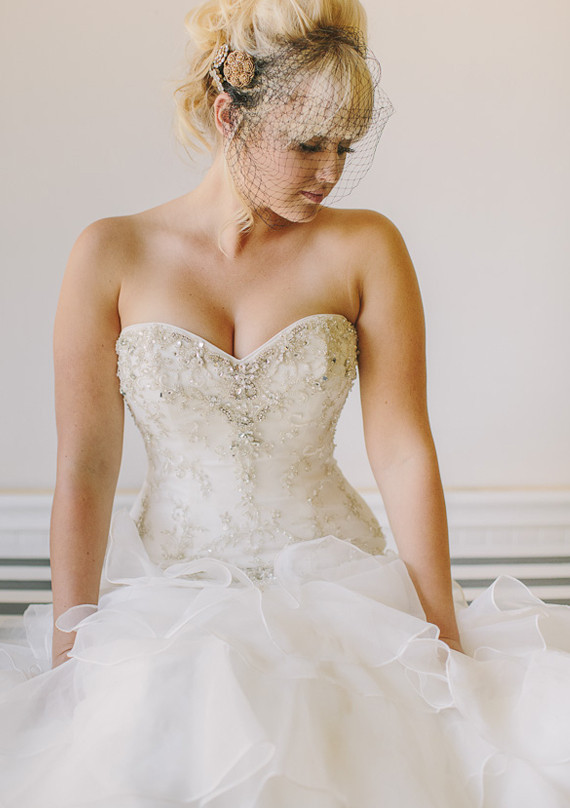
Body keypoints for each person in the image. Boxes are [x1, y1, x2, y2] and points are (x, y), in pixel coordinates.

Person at [0, 0, 569, 805]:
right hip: (173, 597)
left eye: (345, 146)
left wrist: (444, 637)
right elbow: (87, 467)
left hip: (342, 594)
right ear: (229, 113)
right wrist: (70, 651)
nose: (330, 170)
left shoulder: (367, 247)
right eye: (307, 144)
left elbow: (402, 450)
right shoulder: (110, 254)